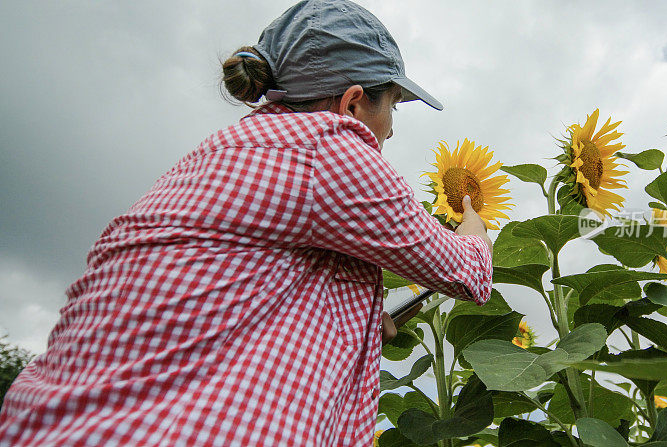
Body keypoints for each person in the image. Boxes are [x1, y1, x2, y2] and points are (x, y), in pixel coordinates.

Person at [0, 1, 493, 445]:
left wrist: (359, 324)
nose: (392, 127)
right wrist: (472, 217)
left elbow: (241, 292)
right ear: (353, 102)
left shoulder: (233, 149)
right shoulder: (331, 147)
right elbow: (467, 273)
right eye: (392, 106)